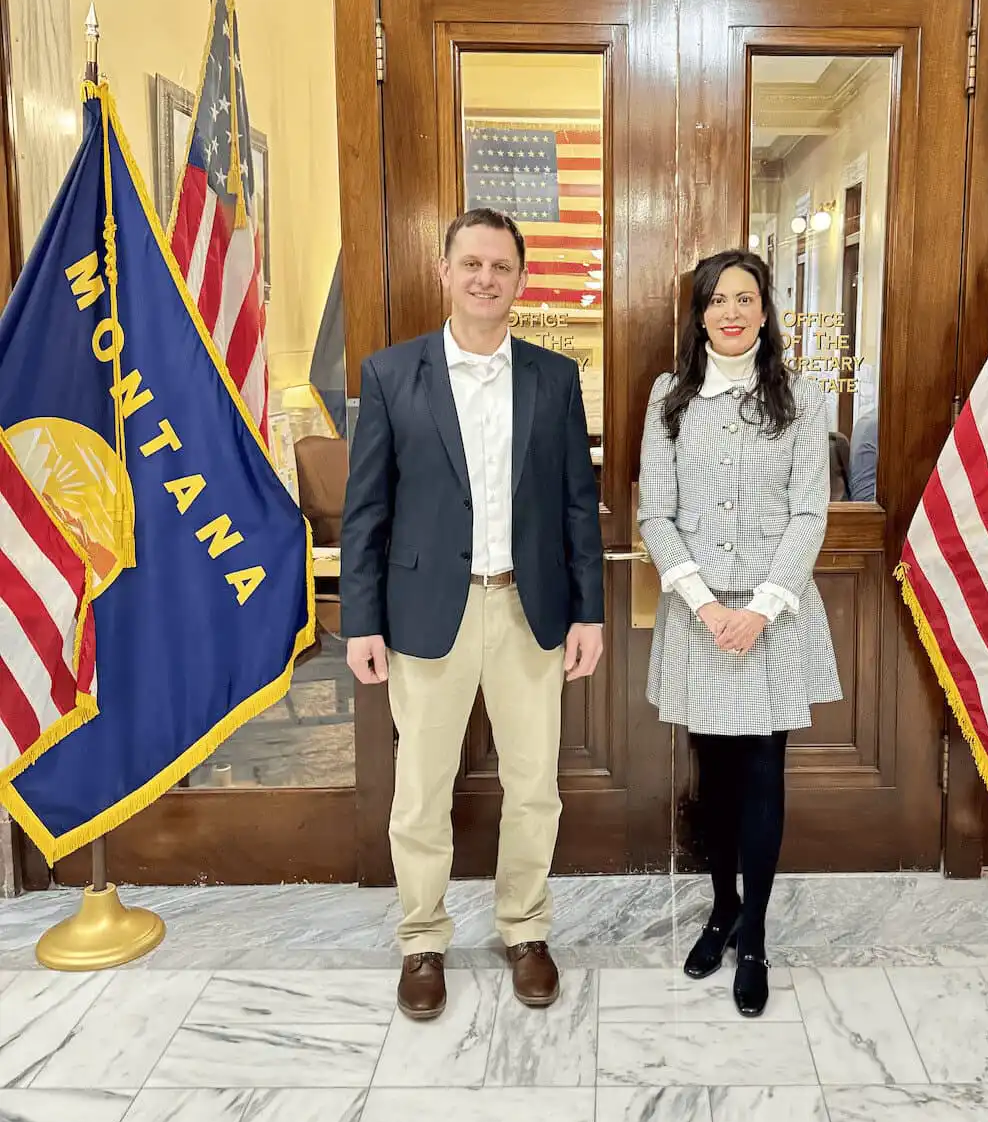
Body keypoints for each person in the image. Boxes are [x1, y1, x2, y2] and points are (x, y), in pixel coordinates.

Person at [340, 208, 604, 1022]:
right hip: (426, 614)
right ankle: (422, 939)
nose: (486, 278)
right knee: (420, 788)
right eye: (472, 264)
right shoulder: (391, 374)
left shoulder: (555, 379)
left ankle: (525, 929)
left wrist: (588, 612)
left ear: (520, 280)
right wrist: (361, 620)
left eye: (501, 266)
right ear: (445, 273)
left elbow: (575, 507)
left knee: (534, 785)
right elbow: (366, 510)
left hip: (530, 613)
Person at [638, 249, 840, 1015]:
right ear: (698, 314)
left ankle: (753, 933)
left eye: (744, 298)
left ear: (764, 311)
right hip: (699, 615)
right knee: (712, 778)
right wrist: (704, 604)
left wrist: (758, 607)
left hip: (772, 615)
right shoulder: (670, 397)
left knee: (761, 777)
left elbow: (808, 513)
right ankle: (720, 907)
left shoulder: (800, 397)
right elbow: (655, 511)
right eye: (717, 299)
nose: (731, 311)